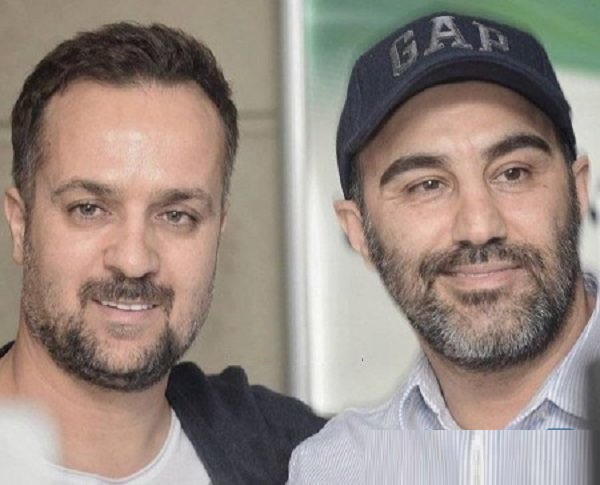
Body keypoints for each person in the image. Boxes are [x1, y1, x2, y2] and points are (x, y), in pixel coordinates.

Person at [0, 22, 324, 484]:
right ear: (20, 223)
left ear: (218, 231)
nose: (134, 261)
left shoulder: (302, 458)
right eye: (89, 209)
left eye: (176, 215)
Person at [289, 11, 597, 483]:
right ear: (359, 232)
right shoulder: (333, 469)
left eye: (513, 173)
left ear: (578, 191)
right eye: (427, 185)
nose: (479, 226)